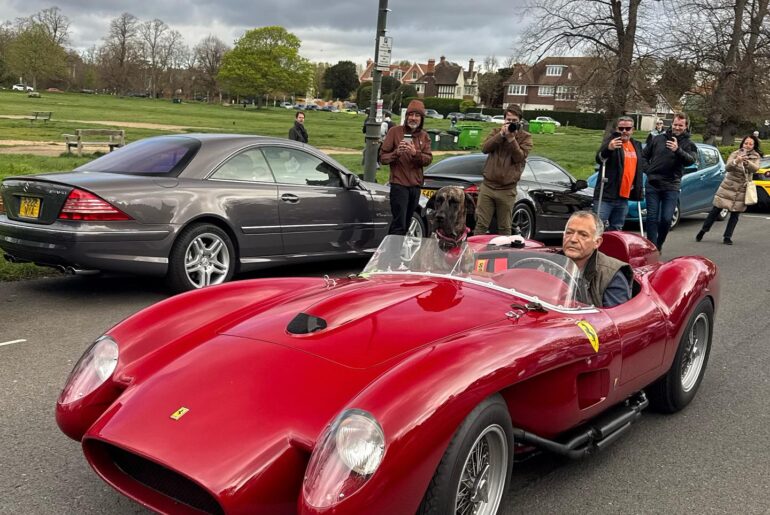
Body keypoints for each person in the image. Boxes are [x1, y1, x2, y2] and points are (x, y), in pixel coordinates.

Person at [642, 112, 698, 252]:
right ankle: (652, 248)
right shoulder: (658, 139)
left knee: (666, 219)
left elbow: (690, 160)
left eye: (680, 125)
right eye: (675, 124)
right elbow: (643, 156)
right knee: (651, 217)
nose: (677, 127)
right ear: (671, 124)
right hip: (653, 183)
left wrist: (677, 150)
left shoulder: (689, 144)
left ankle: (659, 243)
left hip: (671, 185)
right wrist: (648, 170)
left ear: (686, 126)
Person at [474, 104, 533, 235]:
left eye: (514, 121)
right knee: (481, 224)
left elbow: (519, 157)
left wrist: (512, 139)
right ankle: (474, 253)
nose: (511, 123)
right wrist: (501, 135)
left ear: (520, 121)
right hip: (488, 186)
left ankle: (504, 253)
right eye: (508, 120)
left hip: (507, 189)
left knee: (505, 227)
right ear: (504, 120)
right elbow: (484, 149)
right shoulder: (496, 132)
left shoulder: (525, 138)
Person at [380, 99, 433, 235]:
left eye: (417, 115)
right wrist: (396, 153)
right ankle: (392, 253)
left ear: (421, 119)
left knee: (408, 222)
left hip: (415, 186)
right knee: (399, 223)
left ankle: (402, 252)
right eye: (411, 115)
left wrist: (415, 153)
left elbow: (428, 159)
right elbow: (382, 158)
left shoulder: (424, 136)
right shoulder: (394, 132)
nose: (413, 118)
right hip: (399, 185)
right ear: (406, 116)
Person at [696, 135, 761, 245]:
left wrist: (747, 162)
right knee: (716, 210)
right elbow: (727, 167)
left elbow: (755, 169)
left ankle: (727, 236)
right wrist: (737, 161)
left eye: (750, 144)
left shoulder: (755, 156)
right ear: (742, 143)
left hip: (742, 188)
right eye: (746, 143)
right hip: (728, 186)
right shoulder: (735, 153)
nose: (748, 146)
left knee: (735, 214)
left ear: (754, 145)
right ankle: (703, 230)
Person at [562, 211, 633, 308]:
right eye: (569, 233)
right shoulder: (547, 264)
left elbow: (616, 318)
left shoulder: (612, 274)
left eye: (583, 235)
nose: (573, 239)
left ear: (597, 242)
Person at [594, 116, 646, 231]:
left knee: (617, 228)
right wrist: (609, 148)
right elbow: (599, 158)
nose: (624, 131)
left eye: (627, 129)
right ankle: (593, 249)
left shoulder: (636, 145)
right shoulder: (611, 141)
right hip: (606, 196)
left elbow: (641, 166)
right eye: (621, 128)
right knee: (597, 228)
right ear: (617, 129)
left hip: (624, 196)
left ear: (633, 130)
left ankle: (611, 249)